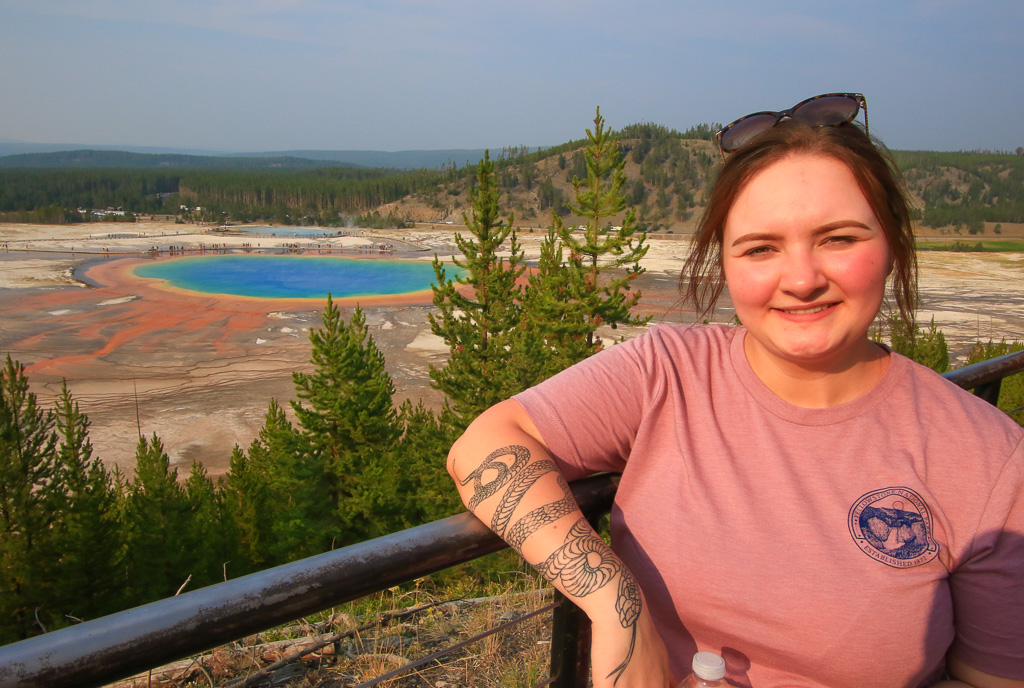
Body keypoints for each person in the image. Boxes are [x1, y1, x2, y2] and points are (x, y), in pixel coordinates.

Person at [446, 93, 1024, 687]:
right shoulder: (667, 372)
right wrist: (619, 608)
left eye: (838, 239)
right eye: (760, 248)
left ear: (893, 246)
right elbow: (484, 446)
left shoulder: (993, 464)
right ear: (724, 261)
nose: (801, 279)